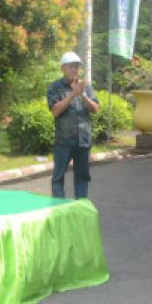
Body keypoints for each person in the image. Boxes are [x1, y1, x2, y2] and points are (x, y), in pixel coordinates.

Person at [47, 51, 99, 200]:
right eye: (71, 67)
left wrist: (83, 95)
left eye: (77, 67)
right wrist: (72, 95)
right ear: (63, 68)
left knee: (82, 176)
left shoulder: (85, 86)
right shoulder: (55, 87)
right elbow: (55, 111)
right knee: (58, 177)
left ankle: (80, 207)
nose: (74, 70)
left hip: (83, 140)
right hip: (64, 141)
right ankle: (59, 208)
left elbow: (95, 109)